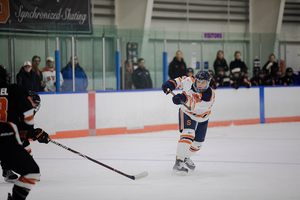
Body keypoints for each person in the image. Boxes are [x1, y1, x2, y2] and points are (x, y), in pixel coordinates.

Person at [0, 65, 50, 200]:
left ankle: (7, 169)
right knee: (32, 171)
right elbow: (27, 115)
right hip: (6, 137)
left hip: (7, 137)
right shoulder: (15, 90)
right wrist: (30, 131)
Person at [161, 70, 215, 175]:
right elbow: (180, 80)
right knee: (188, 134)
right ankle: (179, 162)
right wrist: (171, 84)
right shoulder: (189, 80)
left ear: (208, 83)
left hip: (202, 118)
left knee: (198, 145)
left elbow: (195, 106)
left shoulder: (209, 95)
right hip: (187, 114)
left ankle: (186, 157)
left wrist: (183, 98)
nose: (200, 84)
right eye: (199, 81)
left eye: (203, 83)